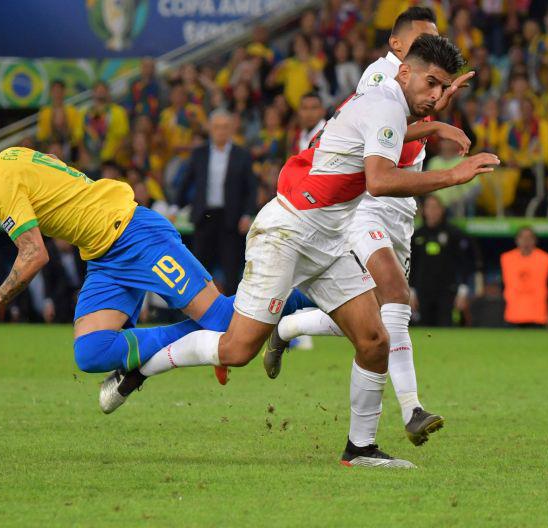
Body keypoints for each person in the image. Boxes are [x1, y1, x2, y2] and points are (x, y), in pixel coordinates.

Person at [121, 35, 495, 469]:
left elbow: (388, 135)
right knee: (237, 350)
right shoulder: (384, 102)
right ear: (404, 70)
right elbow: (379, 180)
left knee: (374, 340)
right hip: (288, 232)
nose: (435, 95)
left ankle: (361, 450)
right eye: (431, 83)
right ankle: (141, 367)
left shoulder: (387, 102)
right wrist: (453, 176)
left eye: (442, 88)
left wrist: (433, 123)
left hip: (329, 241)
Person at [0, 134, 313, 410]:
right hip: (104, 258)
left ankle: (300, 296)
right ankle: (148, 367)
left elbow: (34, 254)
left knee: (228, 323)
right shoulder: (0, 164)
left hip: (135, 236)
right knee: (91, 352)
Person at [266, 13, 474, 450]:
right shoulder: (380, 78)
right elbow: (377, 148)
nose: (429, 46)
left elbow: (401, 133)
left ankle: (288, 327)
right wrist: (438, 130)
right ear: (398, 46)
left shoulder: (417, 87)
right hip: (369, 200)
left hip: (402, 204)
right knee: (396, 295)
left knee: (375, 318)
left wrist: (436, 111)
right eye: (421, 40)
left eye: (434, 40)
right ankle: (412, 409)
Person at [175, 109, 257, 296]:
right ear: (211, 129)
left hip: (231, 219)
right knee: (198, 268)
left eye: (225, 127)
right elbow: (186, 182)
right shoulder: (199, 153)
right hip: (204, 217)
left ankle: (232, 314)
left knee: (231, 269)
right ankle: (197, 312)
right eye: (217, 127)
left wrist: (247, 214)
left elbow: (251, 188)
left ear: (231, 129)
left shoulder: (241, 155)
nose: (221, 131)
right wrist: (175, 206)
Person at [409, 194, 482, 326]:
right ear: (423, 210)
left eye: (435, 207)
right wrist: (411, 291)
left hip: (448, 292)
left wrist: (463, 291)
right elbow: (410, 265)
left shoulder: (454, 234)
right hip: (422, 292)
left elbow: (466, 263)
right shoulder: (416, 236)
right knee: (423, 330)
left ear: (442, 210)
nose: (432, 211)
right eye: (429, 207)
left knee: (446, 328)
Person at [500, 227, 548, 328]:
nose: (525, 241)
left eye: (529, 238)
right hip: (513, 315)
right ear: (516, 240)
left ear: (535, 241)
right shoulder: (506, 259)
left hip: (538, 316)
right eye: (522, 237)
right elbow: (503, 286)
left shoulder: (546, 259)